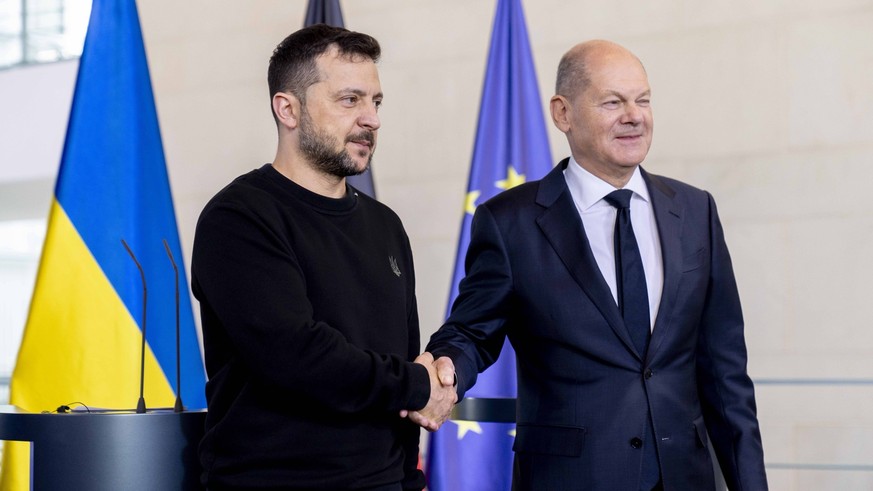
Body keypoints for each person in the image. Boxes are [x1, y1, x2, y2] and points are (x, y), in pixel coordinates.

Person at [423, 40, 768, 490]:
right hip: (570, 477)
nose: (634, 115)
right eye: (613, 102)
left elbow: (726, 375)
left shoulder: (695, 211)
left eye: (643, 100)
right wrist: (446, 366)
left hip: (685, 475)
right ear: (563, 113)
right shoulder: (511, 221)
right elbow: (471, 330)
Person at [191, 25, 455, 491]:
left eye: (376, 102)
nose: (371, 119)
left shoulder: (385, 224)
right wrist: (417, 384)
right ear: (287, 108)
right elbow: (298, 356)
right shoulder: (239, 218)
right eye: (349, 100)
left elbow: (398, 351)